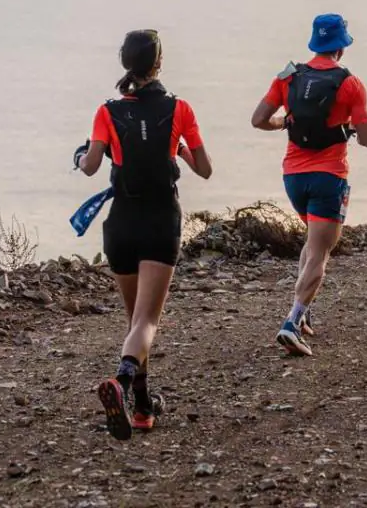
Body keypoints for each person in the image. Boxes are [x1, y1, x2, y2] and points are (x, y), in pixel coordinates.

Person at [74, 29, 212, 440]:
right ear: (159, 63)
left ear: (126, 63)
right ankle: (121, 381)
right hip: (160, 221)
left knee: (134, 322)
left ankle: (143, 406)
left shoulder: (107, 111)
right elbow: (205, 169)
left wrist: (81, 154)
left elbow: (90, 167)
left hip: (121, 224)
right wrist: (180, 149)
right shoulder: (180, 108)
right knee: (146, 323)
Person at [251, 14, 367, 356]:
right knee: (320, 251)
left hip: (293, 176)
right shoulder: (351, 84)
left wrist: (283, 123)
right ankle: (291, 323)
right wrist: (351, 128)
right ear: (341, 47)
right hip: (329, 176)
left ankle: (303, 314)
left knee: (312, 241)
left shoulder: (288, 77)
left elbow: (258, 119)